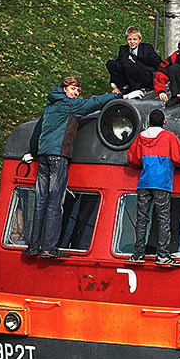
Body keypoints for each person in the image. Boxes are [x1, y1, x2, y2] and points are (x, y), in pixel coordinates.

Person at [25, 77, 115, 258]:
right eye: (73, 89)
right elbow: (94, 103)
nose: (75, 93)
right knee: (55, 203)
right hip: (58, 156)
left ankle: (33, 246)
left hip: (43, 157)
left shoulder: (50, 105)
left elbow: (37, 131)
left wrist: (33, 152)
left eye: (77, 91)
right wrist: (115, 96)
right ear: (64, 88)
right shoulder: (70, 105)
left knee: (40, 202)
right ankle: (49, 247)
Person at [126, 108, 180, 267]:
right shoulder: (169, 137)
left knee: (142, 219)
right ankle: (162, 255)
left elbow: (133, 159)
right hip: (162, 183)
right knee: (163, 219)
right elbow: (178, 157)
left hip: (144, 182)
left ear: (148, 122)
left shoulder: (141, 137)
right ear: (164, 122)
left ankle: (138, 254)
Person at [106, 26, 161, 99]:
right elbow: (118, 65)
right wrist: (114, 85)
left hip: (144, 75)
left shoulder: (147, 48)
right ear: (126, 40)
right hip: (129, 73)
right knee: (112, 63)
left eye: (135, 39)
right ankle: (122, 87)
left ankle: (135, 89)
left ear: (139, 40)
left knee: (126, 62)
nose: (132, 42)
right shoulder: (123, 49)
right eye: (129, 39)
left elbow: (157, 62)